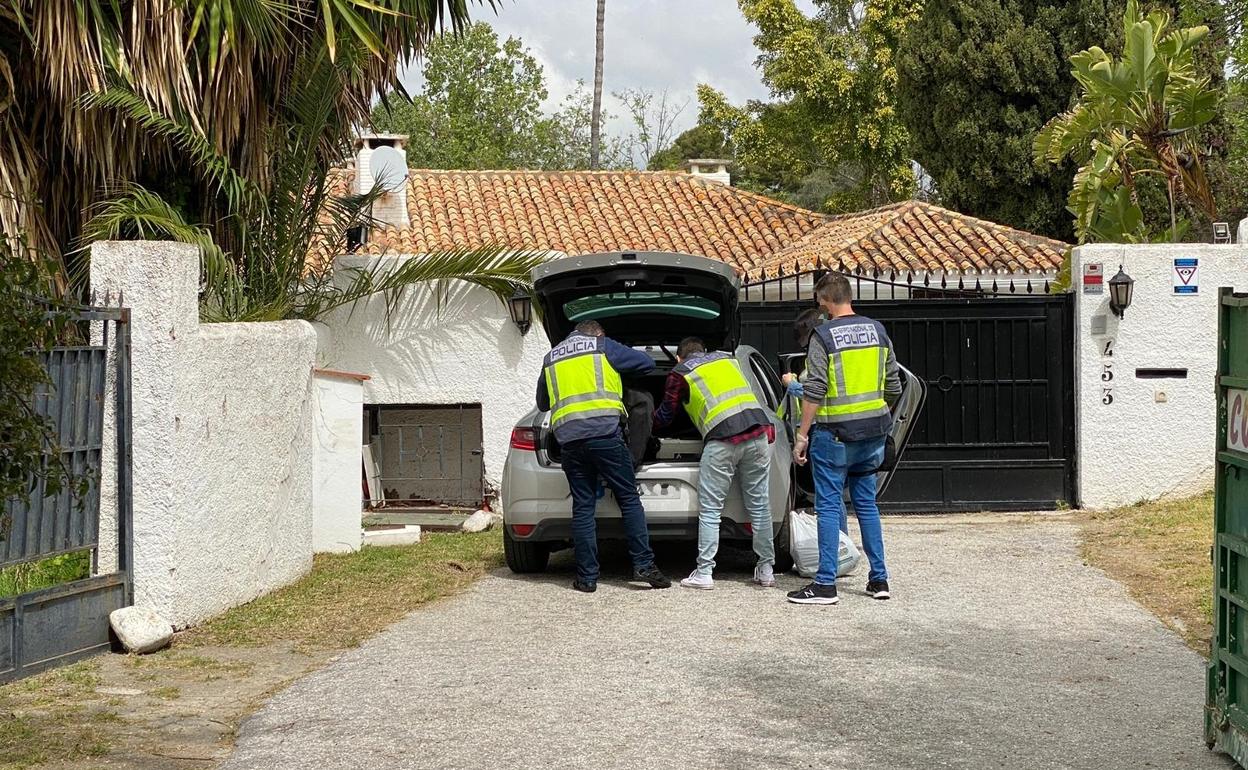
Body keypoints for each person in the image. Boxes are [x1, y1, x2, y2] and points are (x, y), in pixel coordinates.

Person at [788, 274, 902, 605]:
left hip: (834, 436)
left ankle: (825, 584)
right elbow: (893, 385)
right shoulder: (878, 331)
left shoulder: (822, 336)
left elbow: (815, 389)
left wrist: (801, 436)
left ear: (823, 300)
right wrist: (878, 415)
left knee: (826, 504)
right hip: (873, 434)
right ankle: (879, 579)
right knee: (867, 504)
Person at [536, 320, 672, 593]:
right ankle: (644, 564)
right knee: (628, 499)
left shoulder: (550, 358)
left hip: (570, 444)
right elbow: (645, 364)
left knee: (583, 507)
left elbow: (543, 403)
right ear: (597, 333)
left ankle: (587, 578)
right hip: (605, 437)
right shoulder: (602, 346)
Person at [653, 337, 776, 590]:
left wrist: (644, 427)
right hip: (758, 435)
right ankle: (766, 570)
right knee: (760, 505)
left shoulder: (681, 372)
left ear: (679, 357)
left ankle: (705, 572)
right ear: (703, 351)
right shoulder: (728, 360)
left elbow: (666, 415)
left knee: (711, 509)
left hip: (722, 440)